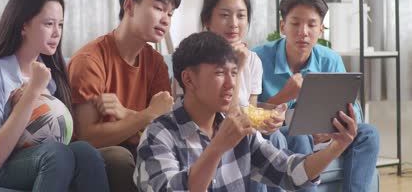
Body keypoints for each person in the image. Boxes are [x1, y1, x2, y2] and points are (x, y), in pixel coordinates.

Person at [134, 31, 359, 191]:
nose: (231, 84)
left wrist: (336, 147)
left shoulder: (237, 130)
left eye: (234, 73)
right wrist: (216, 149)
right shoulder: (158, 135)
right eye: (220, 73)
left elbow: (291, 172)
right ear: (188, 79)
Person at [0, 0, 110, 192]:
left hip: (37, 157)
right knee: (56, 154)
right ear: (23, 26)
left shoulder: (51, 74)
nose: (56, 33)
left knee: (85, 152)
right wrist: (32, 91)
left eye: (60, 25)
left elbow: (58, 136)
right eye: (49, 24)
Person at [252, 0, 380, 192]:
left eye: (312, 25)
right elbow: (250, 114)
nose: (303, 32)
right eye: (295, 23)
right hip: (281, 135)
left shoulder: (330, 59)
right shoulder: (257, 58)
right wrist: (286, 95)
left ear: (321, 29)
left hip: (325, 132)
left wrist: (331, 130)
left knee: (369, 134)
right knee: (299, 135)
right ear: (282, 26)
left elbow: (351, 108)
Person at [67, 0, 180, 191]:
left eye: (170, 13)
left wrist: (126, 114)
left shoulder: (156, 63)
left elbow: (163, 130)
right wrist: (146, 115)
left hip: (141, 148)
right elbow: (88, 138)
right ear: (129, 6)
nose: (165, 20)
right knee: (119, 157)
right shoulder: (90, 60)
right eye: (158, 8)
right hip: (94, 156)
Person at [200, 0, 286, 192]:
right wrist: (237, 66)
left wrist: (269, 119)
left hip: (243, 130)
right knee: (255, 139)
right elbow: (222, 115)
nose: (234, 24)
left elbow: (249, 109)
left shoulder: (253, 60)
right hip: (211, 132)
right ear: (207, 21)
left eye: (241, 16)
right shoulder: (196, 59)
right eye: (225, 15)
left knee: (276, 135)